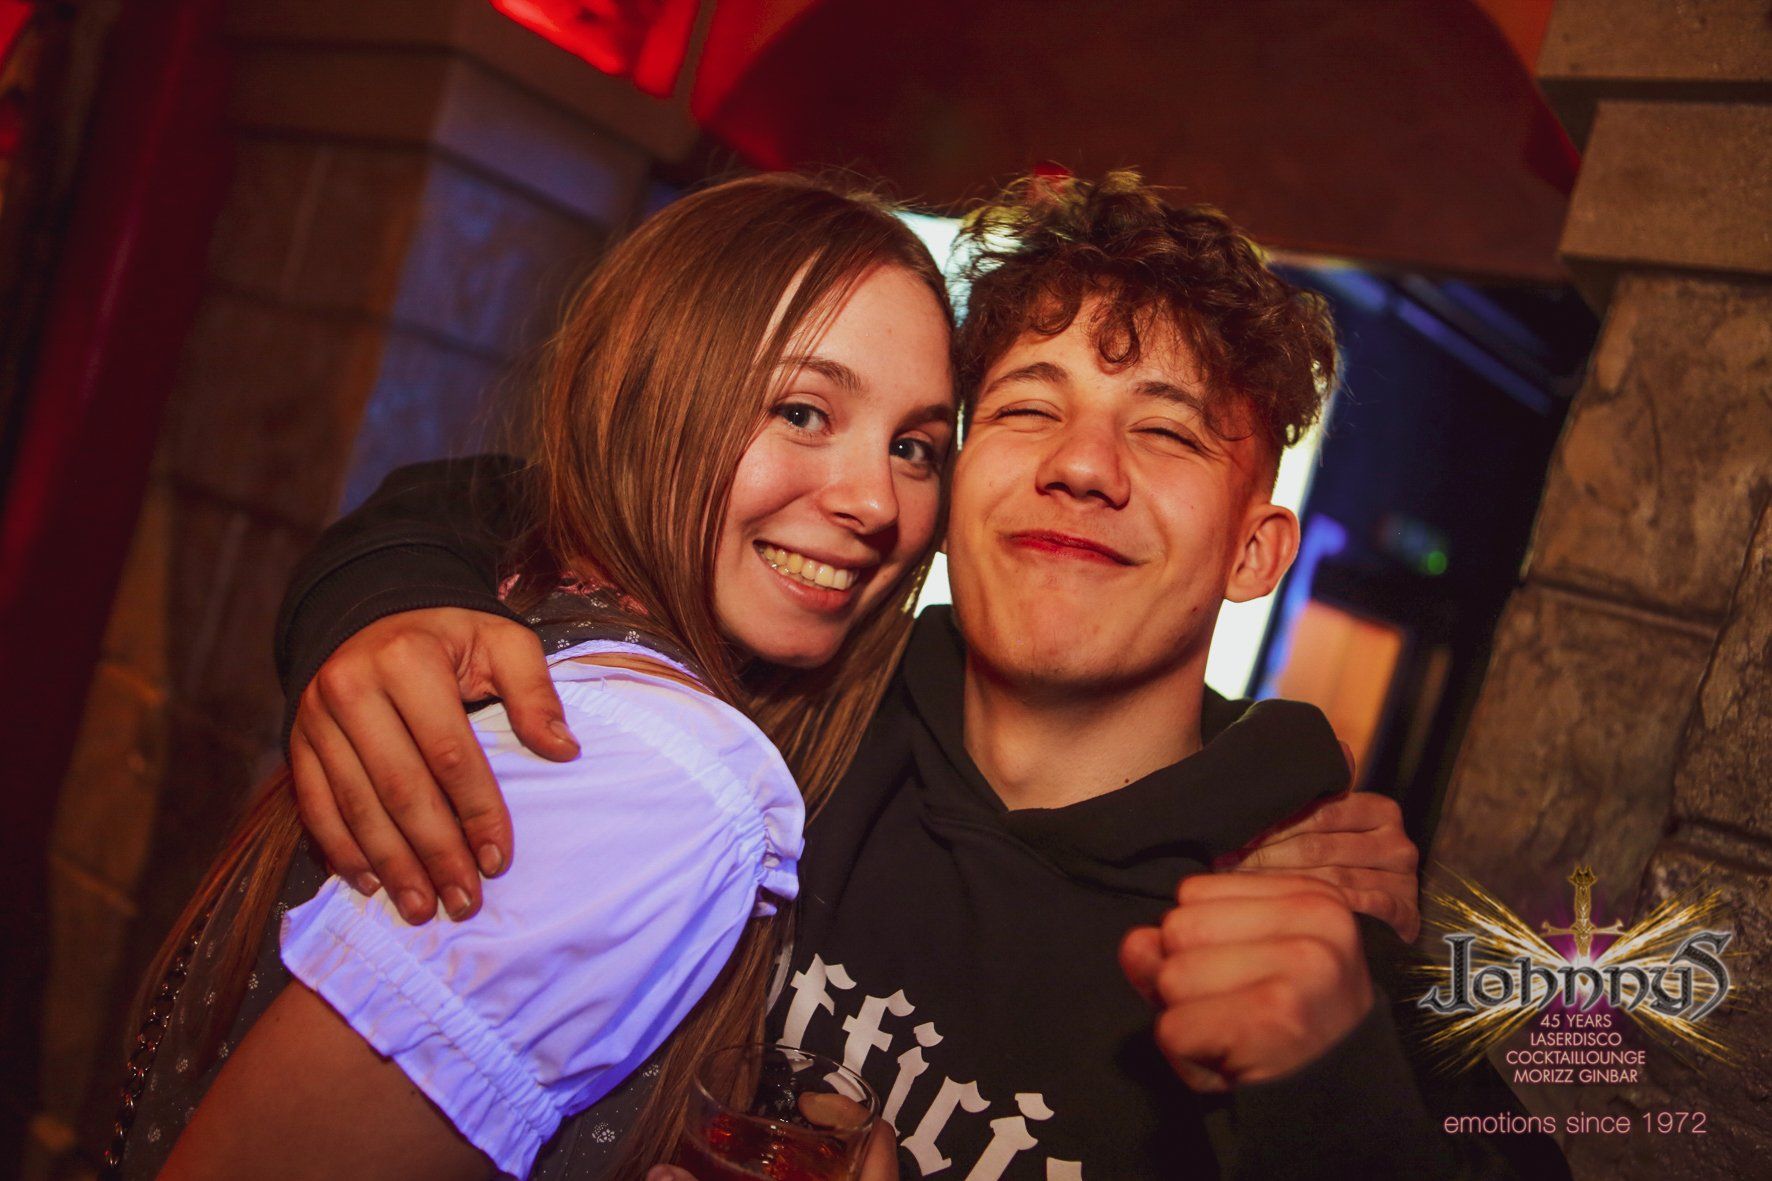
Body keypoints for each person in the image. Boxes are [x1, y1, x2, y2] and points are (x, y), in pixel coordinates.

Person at [260, 175, 1567, 1177]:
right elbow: (524, 498)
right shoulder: (787, 711)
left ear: (1254, 551)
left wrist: (1341, 1105)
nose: (1082, 465)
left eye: (1165, 431)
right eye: (1027, 408)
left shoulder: (1318, 953)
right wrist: (390, 609)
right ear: (945, 486)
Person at [119, 173, 960, 1180]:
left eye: (913, 446)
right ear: (648, 399)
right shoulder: (665, 772)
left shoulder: (530, 602)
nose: (876, 501)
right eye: (803, 410)